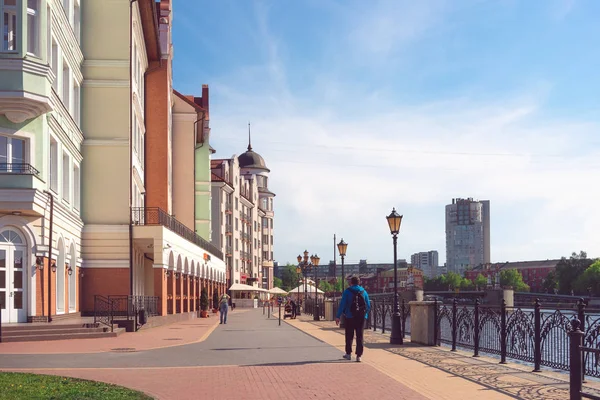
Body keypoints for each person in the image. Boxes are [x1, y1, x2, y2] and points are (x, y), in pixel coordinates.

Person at [335, 276, 370, 362]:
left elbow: (342, 304)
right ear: (359, 282)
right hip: (361, 317)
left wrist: (338, 316)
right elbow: (368, 306)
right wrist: (365, 315)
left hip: (350, 316)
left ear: (351, 282)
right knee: (360, 336)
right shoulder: (363, 291)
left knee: (349, 335)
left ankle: (348, 354)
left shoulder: (347, 291)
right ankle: (359, 356)